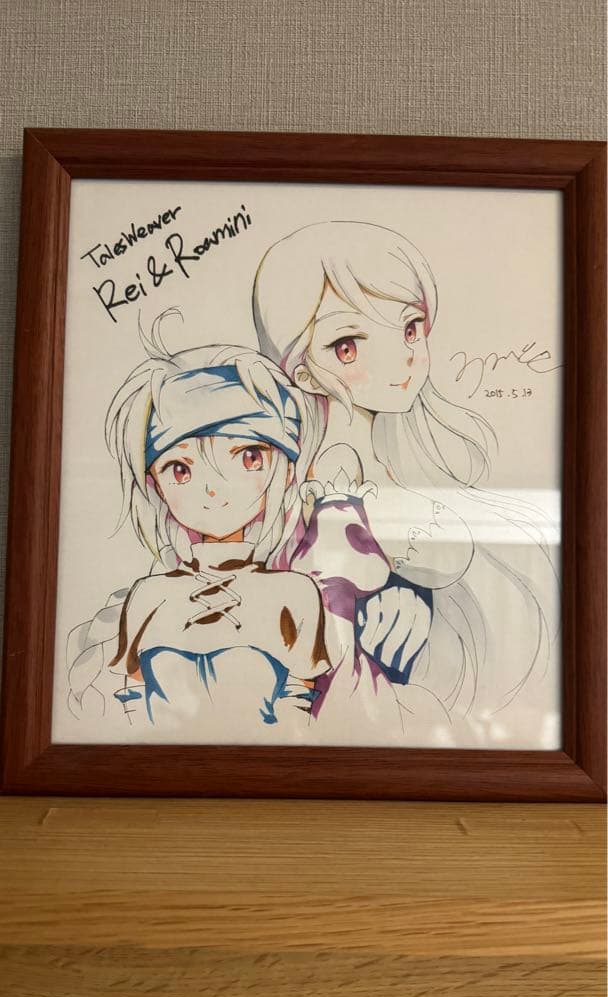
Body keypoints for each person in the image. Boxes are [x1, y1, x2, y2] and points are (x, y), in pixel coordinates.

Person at [253, 221, 560, 746]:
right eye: (347, 346)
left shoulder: (401, 461)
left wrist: (423, 602)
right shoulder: (323, 475)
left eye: (410, 328)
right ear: (301, 371)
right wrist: (381, 602)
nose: (402, 358)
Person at [67, 330, 330, 742]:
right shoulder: (148, 596)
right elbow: (131, 705)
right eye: (181, 469)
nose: (212, 489)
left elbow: (299, 709)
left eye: (248, 457)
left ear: (285, 469)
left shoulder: (295, 595)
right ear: (154, 483)